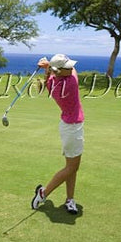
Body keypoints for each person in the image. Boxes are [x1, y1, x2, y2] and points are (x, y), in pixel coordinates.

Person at [31, 54, 85, 214]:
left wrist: (48, 67)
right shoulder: (71, 83)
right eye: (66, 67)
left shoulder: (51, 82)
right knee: (72, 167)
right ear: (59, 71)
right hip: (72, 128)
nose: (70, 68)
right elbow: (75, 70)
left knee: (72, 167)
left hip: (69, 127)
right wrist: (48, 65)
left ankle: (70, 199)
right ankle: (43, 193)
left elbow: (64, 70)